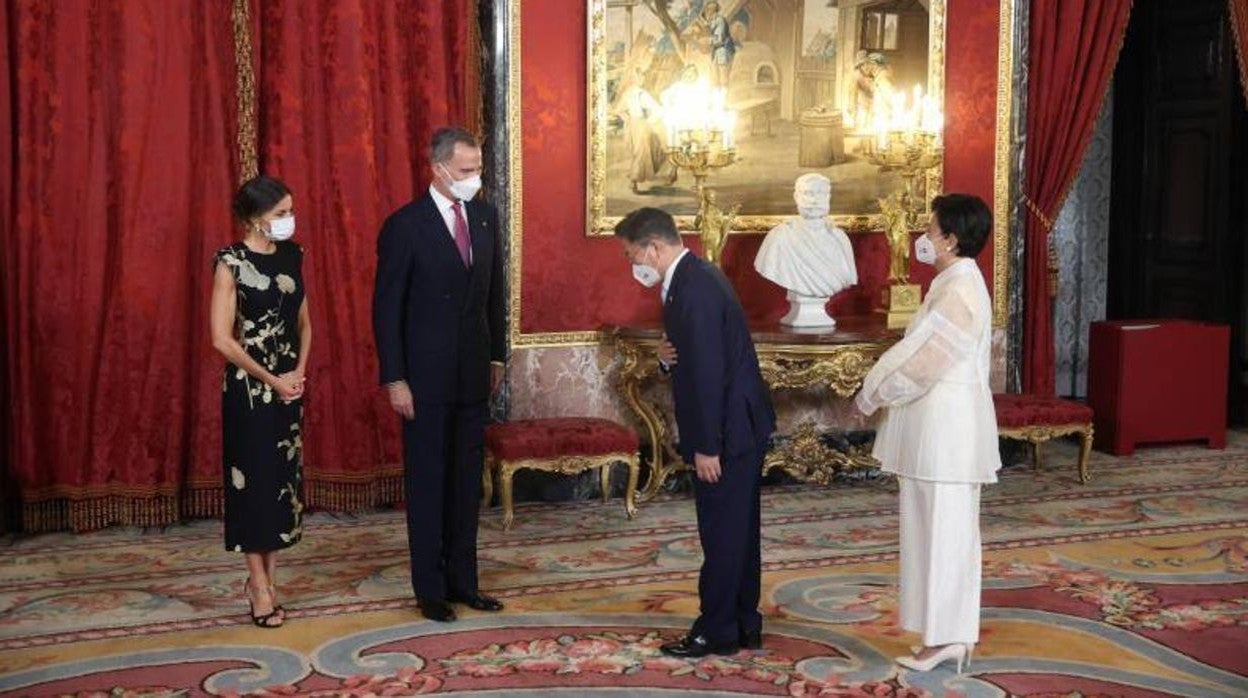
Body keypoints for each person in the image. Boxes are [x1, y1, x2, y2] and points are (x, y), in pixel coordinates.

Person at [613, 207, 775, 657]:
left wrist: (706, 446)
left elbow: (707, 372)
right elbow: (695, 353)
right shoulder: (692, 278)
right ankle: (744, 622)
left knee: (722, 531)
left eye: (632, 256)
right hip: (739, 422)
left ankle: (717, 629)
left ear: (654, 248)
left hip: (726, 428)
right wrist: (666, 358)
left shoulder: (694, 287)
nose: (632, 266)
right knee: (737, 529)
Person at [853, 193, 1001, 673]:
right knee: (927, 531)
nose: (924, 236)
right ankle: (938, 634)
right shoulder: (950, 282)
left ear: (951, 239)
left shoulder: (960, 288)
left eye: (931, 229)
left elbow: (925, 363)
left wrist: (873, 393)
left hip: (948, 433)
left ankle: (950, 637)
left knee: (948, 534)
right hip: (931, 428)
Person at [372, 127, 507, 623]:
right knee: (429, 482)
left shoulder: (487, 218)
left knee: (466, 483)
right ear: (439, 168)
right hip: (422, 380)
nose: (475, 178)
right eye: (467, 170)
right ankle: (430, 589)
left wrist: (497, 358)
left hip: (473, 373)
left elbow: (494, 294)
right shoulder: (405, 226)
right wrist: (395, 378)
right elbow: (386, 310)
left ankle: (464, 582)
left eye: (479, 169)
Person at [210, 175, 311, 629]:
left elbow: (305, 324)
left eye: (290, 211)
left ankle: (268, 580)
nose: (289, 221)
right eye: (280, 214)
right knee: (252, 485)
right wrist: (272, 378)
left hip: (289, 384)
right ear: (254, 219)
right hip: (250, 389)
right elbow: (222, 340)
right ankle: (259, 586)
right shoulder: (230, 262)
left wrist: (297, 374)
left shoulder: (293, 255)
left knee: (279, 482)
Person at [754, 173, 857, 327]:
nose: (815, 200)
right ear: (796, 197)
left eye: (821, 193)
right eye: (808, 193)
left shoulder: (840, 239)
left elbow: (848, 275)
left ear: (828, 197)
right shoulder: (779, 237)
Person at [701, 2, 736, 89]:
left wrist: (708, 41)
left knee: (723, 75)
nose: (707, 13)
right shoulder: (712, 21)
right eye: (707, 11)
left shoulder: (720, 21)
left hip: (724, 50)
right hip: (716, 51)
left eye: (709, 10)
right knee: (714, 75)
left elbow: (719, 39)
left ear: (713, 11)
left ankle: (725, 95)